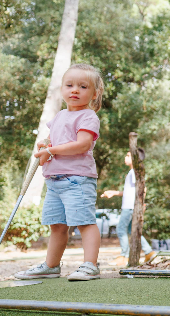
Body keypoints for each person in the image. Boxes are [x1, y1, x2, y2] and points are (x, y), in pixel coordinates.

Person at [15, 64, 106, 282]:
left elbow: (82, 144)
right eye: (70, 85)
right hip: (54, 180)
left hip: (77, 180)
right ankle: (51, 266)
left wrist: (52, 149)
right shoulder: (58, 117)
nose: (75, 90)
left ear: (94, 94)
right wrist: (45, 146)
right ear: (62, 89)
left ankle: (90, 265)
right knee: (56, 224)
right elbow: (53, 143)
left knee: (84, 222)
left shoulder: (88, 116)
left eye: (83, 86)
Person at [101, 150, 156, 268]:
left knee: (121, 229)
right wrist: (114, 193)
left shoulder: (134, 172)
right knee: (133, 231)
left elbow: (143, 188)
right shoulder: (132, 172)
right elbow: (129, 192)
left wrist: (141, 205)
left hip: (130, 206)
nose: (125, 157)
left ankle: (124, 256)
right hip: (131, 206)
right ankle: (149, 253)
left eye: (128, 155)